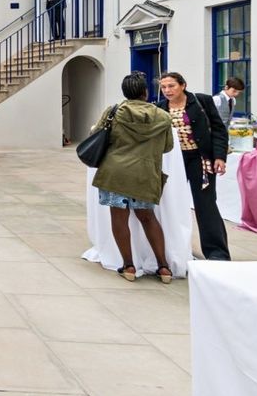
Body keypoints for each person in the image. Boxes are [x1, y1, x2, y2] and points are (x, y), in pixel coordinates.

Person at [92, 72, 176, 283]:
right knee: (148, 217)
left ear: (125, 93)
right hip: (146, 174)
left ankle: (128, 266)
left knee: (119, 217)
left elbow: (98, 135)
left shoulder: (114, 112)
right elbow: (168, 147)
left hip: (116, 172)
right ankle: (163, 267)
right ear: (145, 92)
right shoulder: (163, 117)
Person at [157, 72, 231, 261]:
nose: (167, 90)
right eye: (164, 87)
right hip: (175, 162)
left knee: (205, 205)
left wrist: (220, 157)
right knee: (172, 203)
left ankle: (217, 253)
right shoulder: (160, 108)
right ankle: (175, 249)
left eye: (171, 86)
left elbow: (219, 130)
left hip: (200, 160)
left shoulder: (201, 102)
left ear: (183, 85)